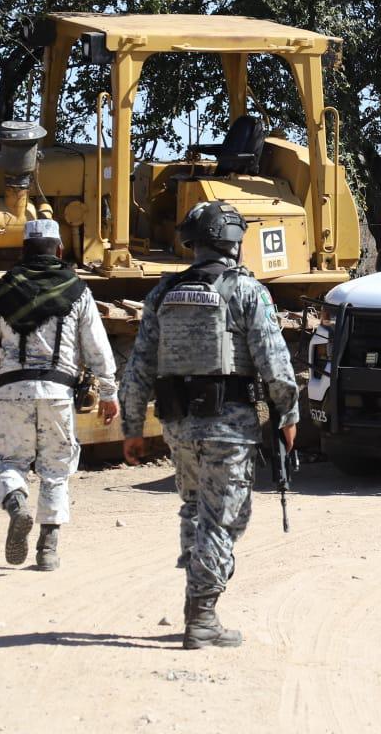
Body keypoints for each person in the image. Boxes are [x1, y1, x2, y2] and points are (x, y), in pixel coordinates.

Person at [118, 201, 298, 650]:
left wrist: (132, 425)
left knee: (196, 509)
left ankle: (196, 586)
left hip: (178, 426)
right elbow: (274, 364)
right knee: (223, 520)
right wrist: (288, 414)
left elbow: (139, 366)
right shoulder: (246, 292)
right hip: (229, 427)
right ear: (234, 242)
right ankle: (201, 615)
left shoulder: (163, 293)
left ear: (194, 243)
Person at [0, 219, 119, 569]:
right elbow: (97, 348)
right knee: (56, 468)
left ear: (24, 250)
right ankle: (48, 549)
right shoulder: (78, 291)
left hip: (12, 392)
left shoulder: (2, 291)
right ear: (60, 251)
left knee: (6, 461)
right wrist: (109, 392)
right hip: (58, 393)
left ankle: (17, 505)